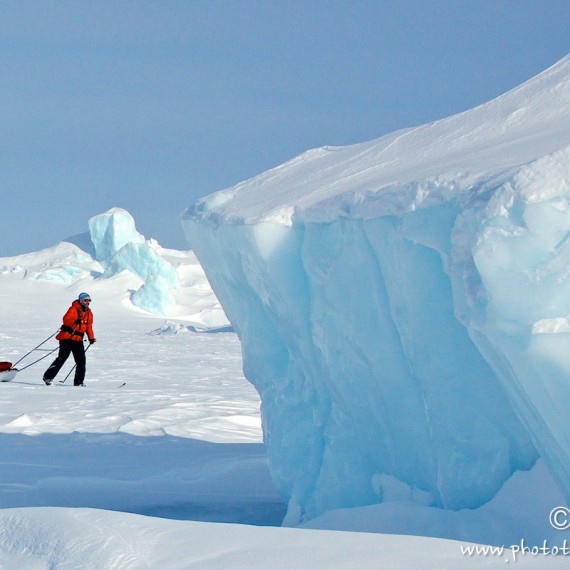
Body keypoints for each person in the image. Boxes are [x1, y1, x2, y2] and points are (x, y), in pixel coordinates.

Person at [43, 292, 96, 386]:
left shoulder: (89, 313)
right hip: (67, 338)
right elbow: (66, 320)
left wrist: (91, 338)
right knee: (62, 358)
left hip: (78, 339)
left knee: (81, 361)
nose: (87, 302)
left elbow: (88, 327)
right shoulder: (73, 308)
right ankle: (48, 377)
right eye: (85, 300)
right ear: (81, 300)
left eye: (89, 300)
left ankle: (79, 383)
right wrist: (74, 320)